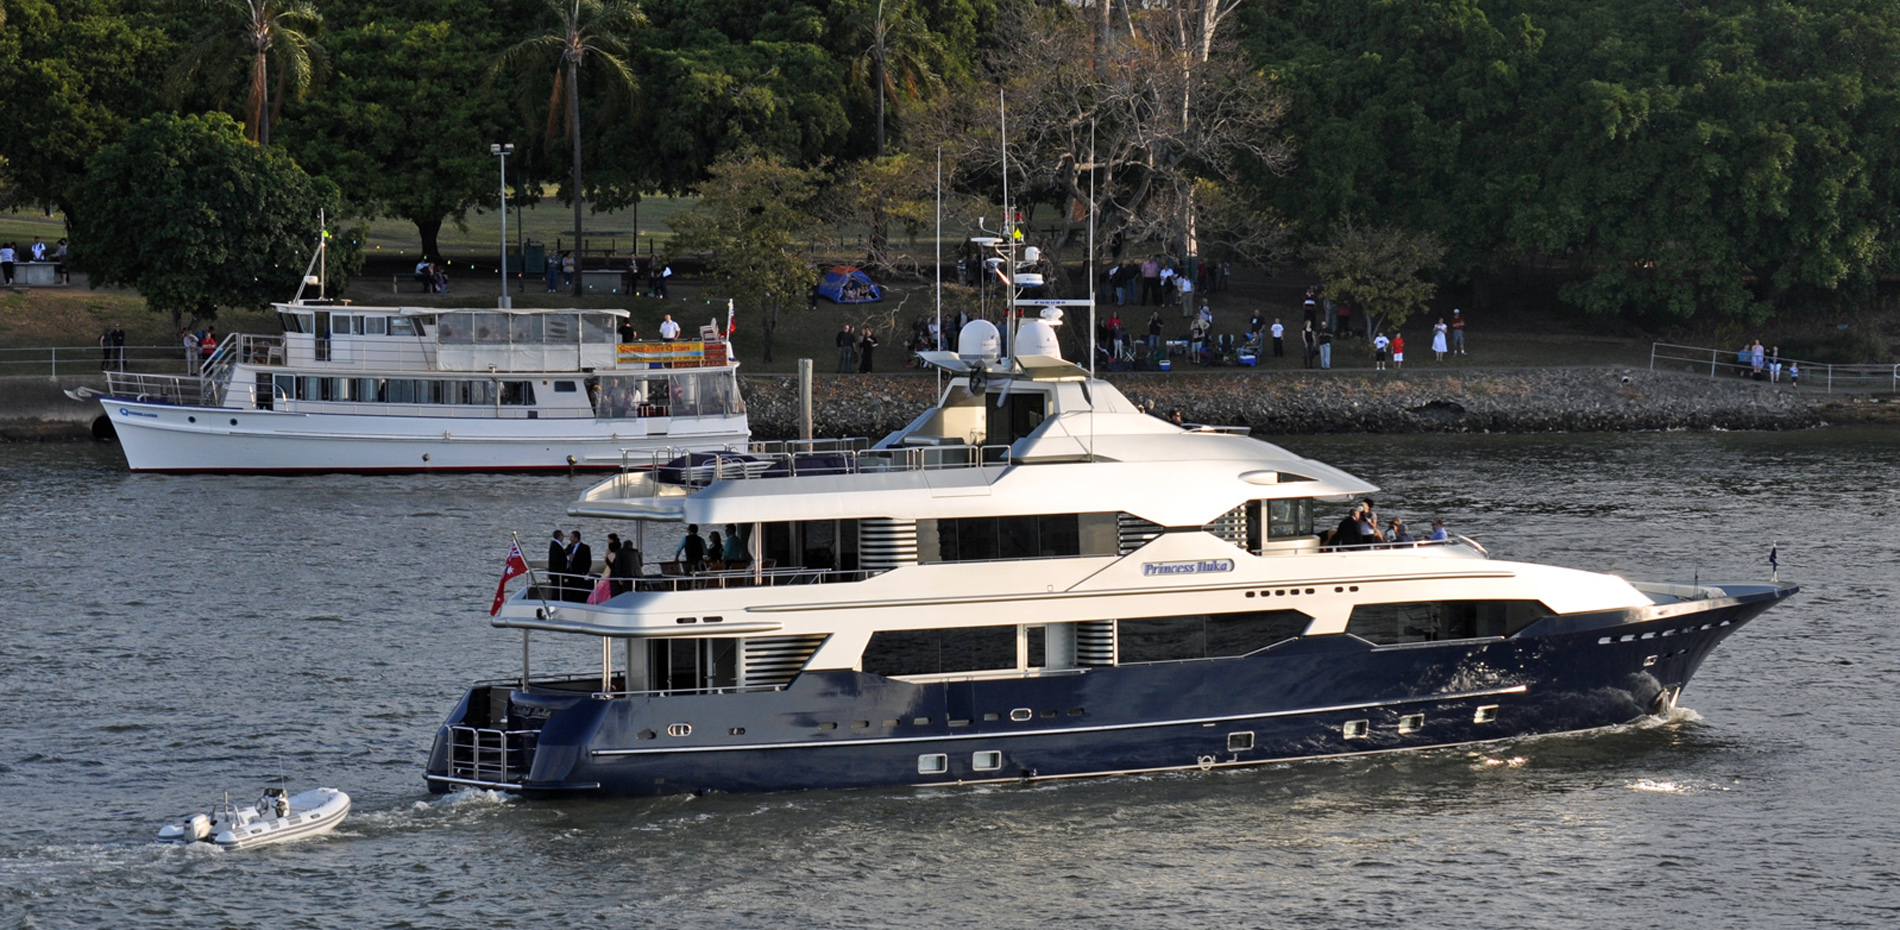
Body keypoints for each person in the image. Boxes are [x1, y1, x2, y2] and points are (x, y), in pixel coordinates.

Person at [564, 531, 593, 602]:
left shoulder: (585, 548)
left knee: (579, 589)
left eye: (571, 537)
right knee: (570, 589)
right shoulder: (569, 547)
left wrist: (585, 571)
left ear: (576, 538)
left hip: (579, 572)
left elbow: (588, 561)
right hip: (570, 572)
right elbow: (564, 555)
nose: (570, 539)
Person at [545, 530, 569, 599]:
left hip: (555, 573)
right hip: (557, 573)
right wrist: (568, 557)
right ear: (560, 536)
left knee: (557, 589)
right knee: (557, 590)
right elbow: (560, 558)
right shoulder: (556, 546)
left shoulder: (554, 545)